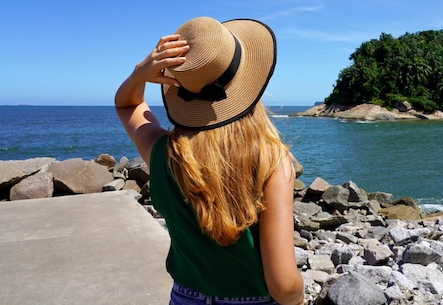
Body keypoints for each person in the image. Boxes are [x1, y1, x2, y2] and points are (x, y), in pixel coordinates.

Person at [115, 16, 305, 305]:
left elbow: (127, 104)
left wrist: (139, 74)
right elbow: (284, 285)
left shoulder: (163, 152)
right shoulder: (270, 160)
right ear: (250, 85)